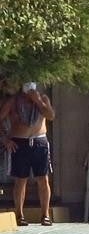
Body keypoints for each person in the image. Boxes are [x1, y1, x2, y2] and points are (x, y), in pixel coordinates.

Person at [0, 80, 55, 226]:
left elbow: (50, 116)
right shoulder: (13, 101)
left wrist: (38, 101)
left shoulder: (42, 98)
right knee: (20, 180)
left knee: (43, 179)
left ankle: (45, 214)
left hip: (39, 142)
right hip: (20, 143)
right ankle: (20, 214)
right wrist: (5, 139)